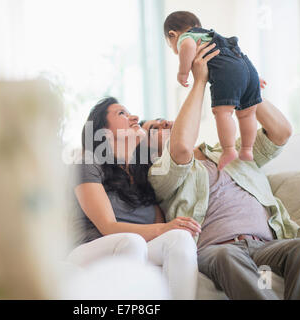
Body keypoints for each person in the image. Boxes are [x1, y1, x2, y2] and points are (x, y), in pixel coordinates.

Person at [141, 45, 300, 299]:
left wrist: (245, 84)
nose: (164, 122)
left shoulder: (230, 151)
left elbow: (281, 132)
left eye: (164, 119)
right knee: (227, 255)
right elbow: (182, 147)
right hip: (217, 249)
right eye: (154, 128)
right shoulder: (160, 173)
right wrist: (200, 81)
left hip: (266, 245)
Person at [66, 42, 220, 300]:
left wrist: (172, 229)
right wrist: (165, 229)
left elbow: (160, 222)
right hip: (89, 250)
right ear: (103, 131)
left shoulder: (144, 172)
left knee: (180, 240)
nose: (135, 117)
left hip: (136, 246)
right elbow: (108, 226)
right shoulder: (87, 163)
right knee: (133, 242)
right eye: (122, 113)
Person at [164, 11, 267, 170]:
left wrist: (183, 72)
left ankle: (229, 150)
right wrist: (251, 77)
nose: (174, 48)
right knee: (248, 114)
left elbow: (188, 46)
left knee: (223, 113)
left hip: (229, 72)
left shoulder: (187, 37)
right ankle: (247, 149)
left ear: (172, 34)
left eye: (170, 44)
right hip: (246, 67)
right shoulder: (211, 36)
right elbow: (237, 58)